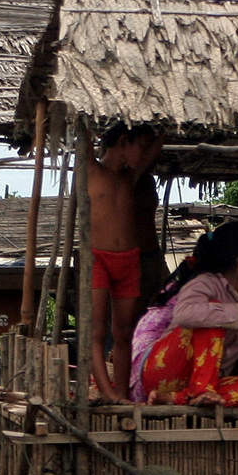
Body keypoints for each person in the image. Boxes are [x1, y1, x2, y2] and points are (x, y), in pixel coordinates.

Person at [135, 220, 238, 406]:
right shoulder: (206, 283)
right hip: (164, 371)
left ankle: (178, 399)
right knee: (211, 319)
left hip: (206, 386)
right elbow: (184, 314)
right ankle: (200, 390)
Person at [85, 127, 166, 402]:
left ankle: (122, 393)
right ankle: (108, 392)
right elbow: (81, 133)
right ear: (122, 142)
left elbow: (158, 141)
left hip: (129, 260)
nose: (145, 154)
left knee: (124, 333)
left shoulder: (131, 176)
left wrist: (162, 126)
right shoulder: (92, 170)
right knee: (96, 330)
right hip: (98, 258)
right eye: (140, 146)